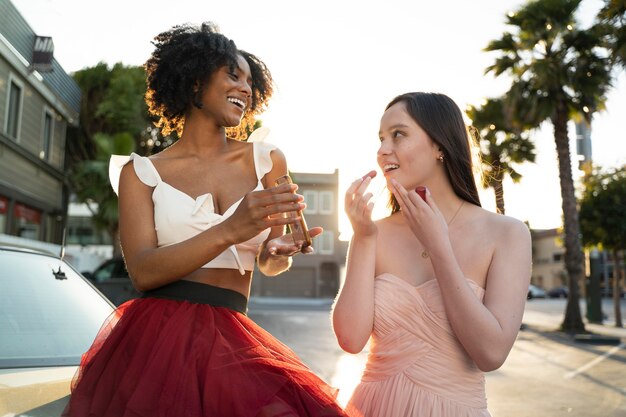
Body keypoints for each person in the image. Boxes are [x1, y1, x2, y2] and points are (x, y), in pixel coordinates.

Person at [63, 22, 350, 417]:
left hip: (234, 338)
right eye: (233, 74)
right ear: (194, 80)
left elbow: (270, 260)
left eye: (251, 81)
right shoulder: (140, 173)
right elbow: (144, 272)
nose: (246, 89)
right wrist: (231, 228)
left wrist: (278, 252)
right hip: (154, 345)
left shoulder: (267, 160)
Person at [332, 92, 532, 417]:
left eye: (398, 134)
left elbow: (491, 354)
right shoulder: (374, 232)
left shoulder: (507, 234)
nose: (383, 150)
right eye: (381, 138)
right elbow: (350, 339)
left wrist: (440, 247)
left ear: (439, 145)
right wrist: (363, 237)